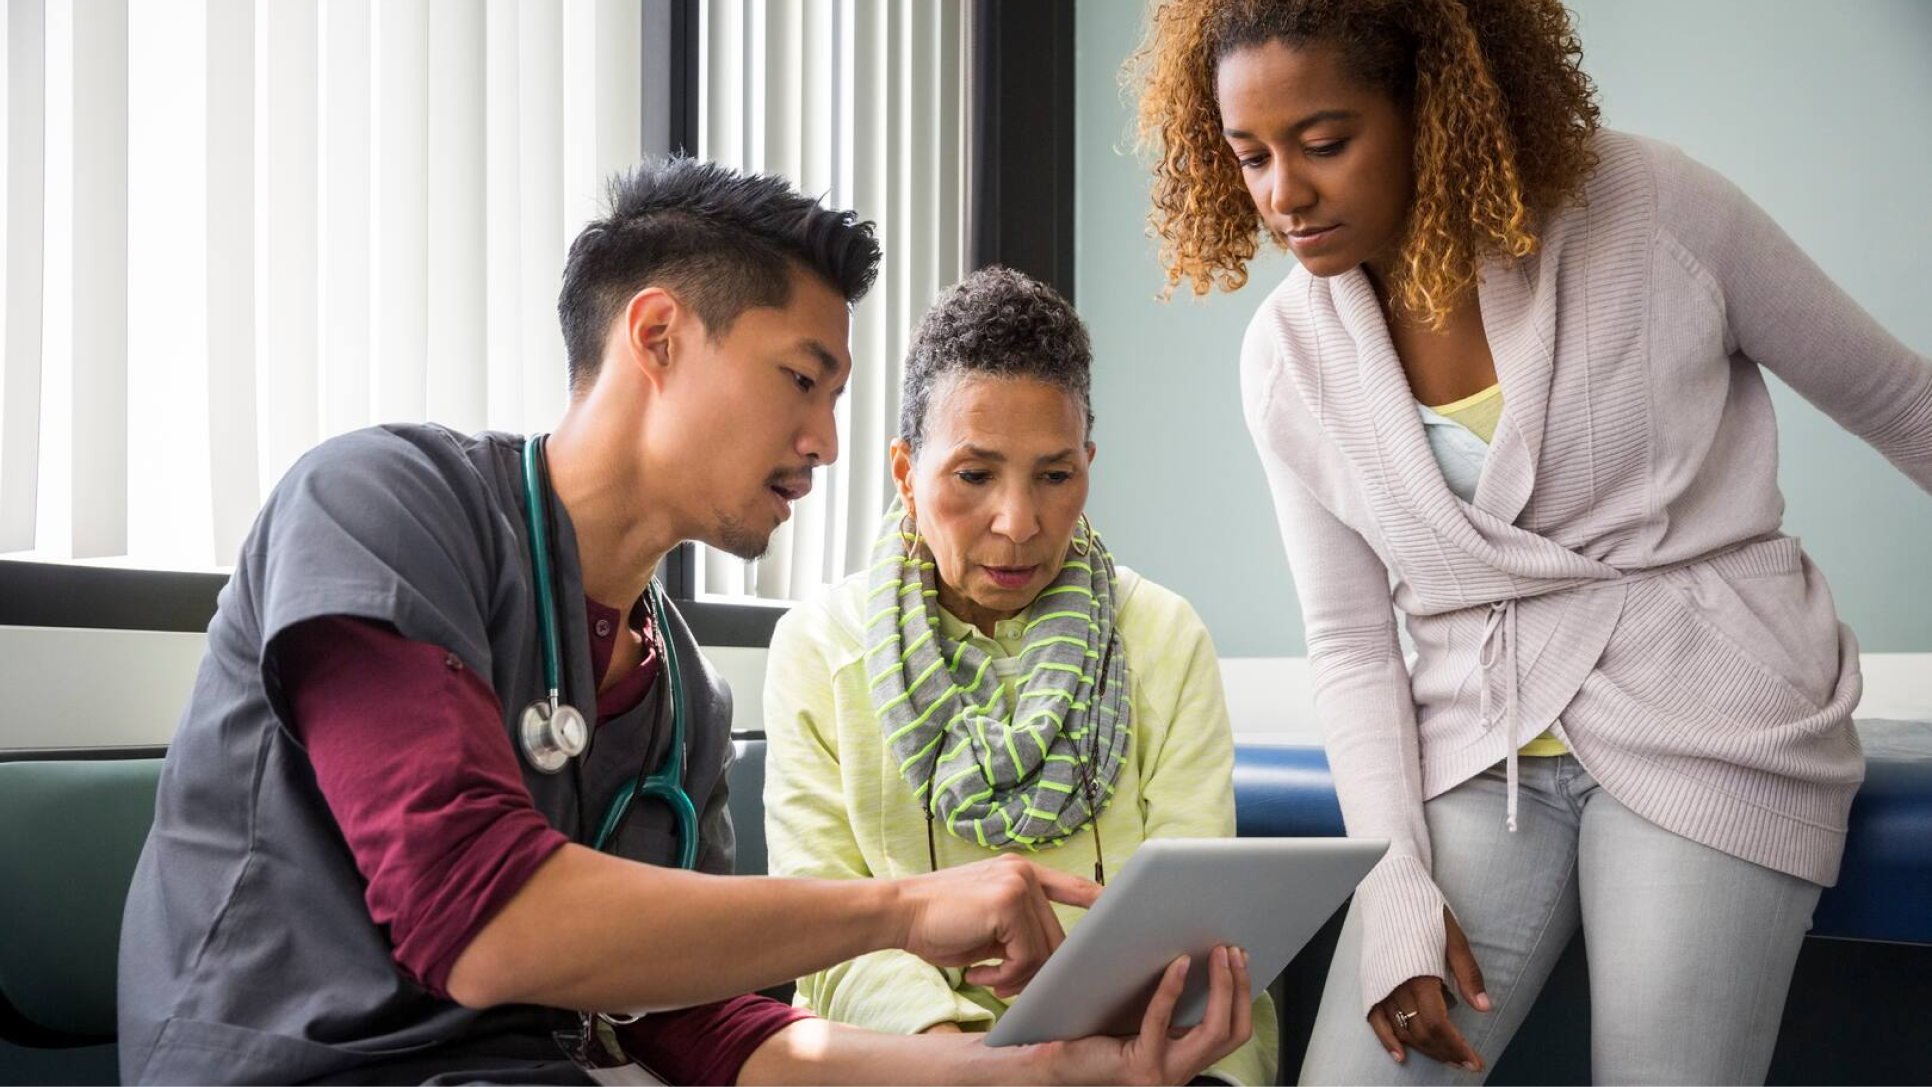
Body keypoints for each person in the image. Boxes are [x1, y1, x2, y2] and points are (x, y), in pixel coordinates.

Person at [117, 159, 1249, 1086]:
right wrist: (903, 909)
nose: (828, 442)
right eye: (802, 379)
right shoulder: (380, 504)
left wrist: (1043, 1075)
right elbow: (480, 921)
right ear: (656, 336)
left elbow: (708, 1029)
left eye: (838, 396)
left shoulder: (679, 696)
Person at [1128, 0, 1932, 1083]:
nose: (1284, 194)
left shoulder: (1652, 208)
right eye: (1249, 155)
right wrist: (1395, 885)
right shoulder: (1285, 357)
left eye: (1324, 143)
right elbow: (1355, 644)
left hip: (1712, 711)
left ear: (1435, 102)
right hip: (1478, 745)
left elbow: (1900, 401)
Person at [762, 267, 1275, 1085]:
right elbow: (826, 939)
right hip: (924, 1059)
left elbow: (1192, 914)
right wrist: (978, 1063)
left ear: (1088, 464)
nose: (1019, 521)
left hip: (1157, 1045)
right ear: (905, 471)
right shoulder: (818, 650)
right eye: (974, 475)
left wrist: (1114, 1054)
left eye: (1055, 474)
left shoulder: (1164, 636)